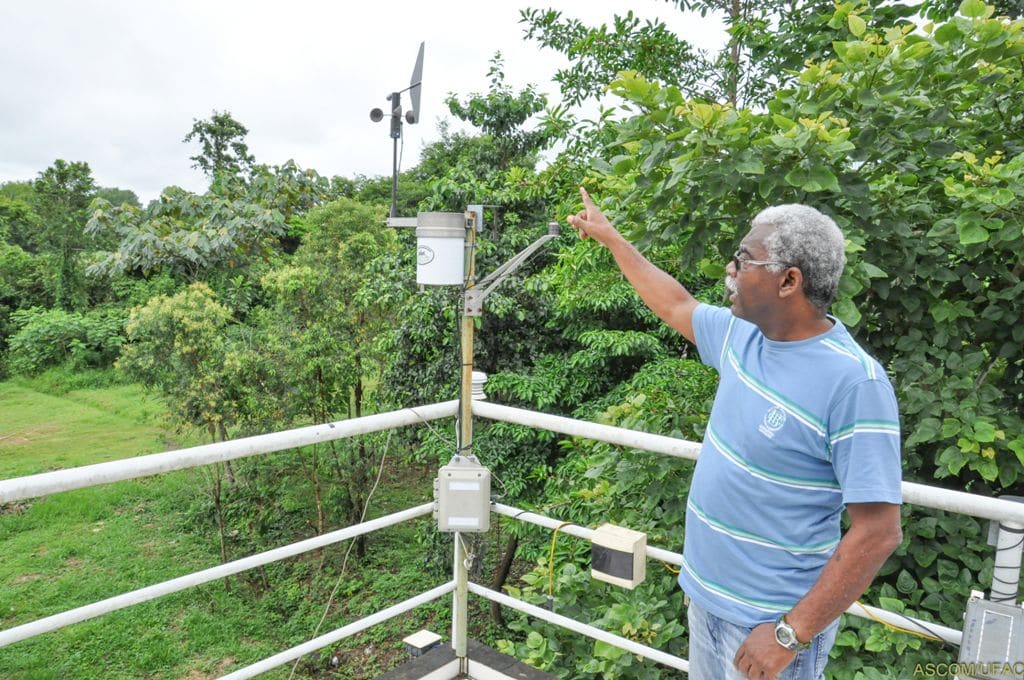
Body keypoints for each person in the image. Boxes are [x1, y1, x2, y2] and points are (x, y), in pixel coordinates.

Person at [567, 187, 903, 680]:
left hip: (769, 627)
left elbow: (878, 532)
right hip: (706, 599)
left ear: (789, 280)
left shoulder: (855, 383)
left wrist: (791, 632)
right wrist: (613, 239)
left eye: (744, 259)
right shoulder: (743, 336)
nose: (730, 269)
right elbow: (674, 304)